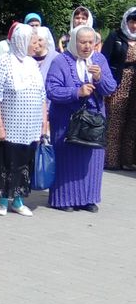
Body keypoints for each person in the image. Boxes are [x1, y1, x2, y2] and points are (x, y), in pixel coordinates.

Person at [45, 26, 116, 211]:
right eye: (82, 42)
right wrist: (76, 92)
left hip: (93, 122)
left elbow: (110, 88)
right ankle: (64, 200)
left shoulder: (99, 59)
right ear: (73, 41)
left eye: (90, 42)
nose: (86, 46)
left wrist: (99, 77)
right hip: (66, 121)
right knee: (67, 159)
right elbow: (51, 89)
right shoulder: (61, 61)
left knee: (91, 161)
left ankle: (88, 199)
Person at [0, 24, 48, 216]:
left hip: (30, 127)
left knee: (24, 164)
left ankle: (18, 201)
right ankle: (3, 200)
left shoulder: (32, 64)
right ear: (22, 41)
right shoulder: (4, 62)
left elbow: (42, 96)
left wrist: (43, 124)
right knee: (7, 162)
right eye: (33, 41)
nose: (36, 45)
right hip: (10, 125)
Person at [102, 7, 136, 170]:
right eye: (132, 21)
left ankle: (127, 160)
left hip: (134, 86)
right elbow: (104, 60)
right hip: (118, 83)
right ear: (126, 21)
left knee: (131, 123)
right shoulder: (115, 36)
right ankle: (111, 160)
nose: (134, 26)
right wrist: (107, 83)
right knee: (115, 121)